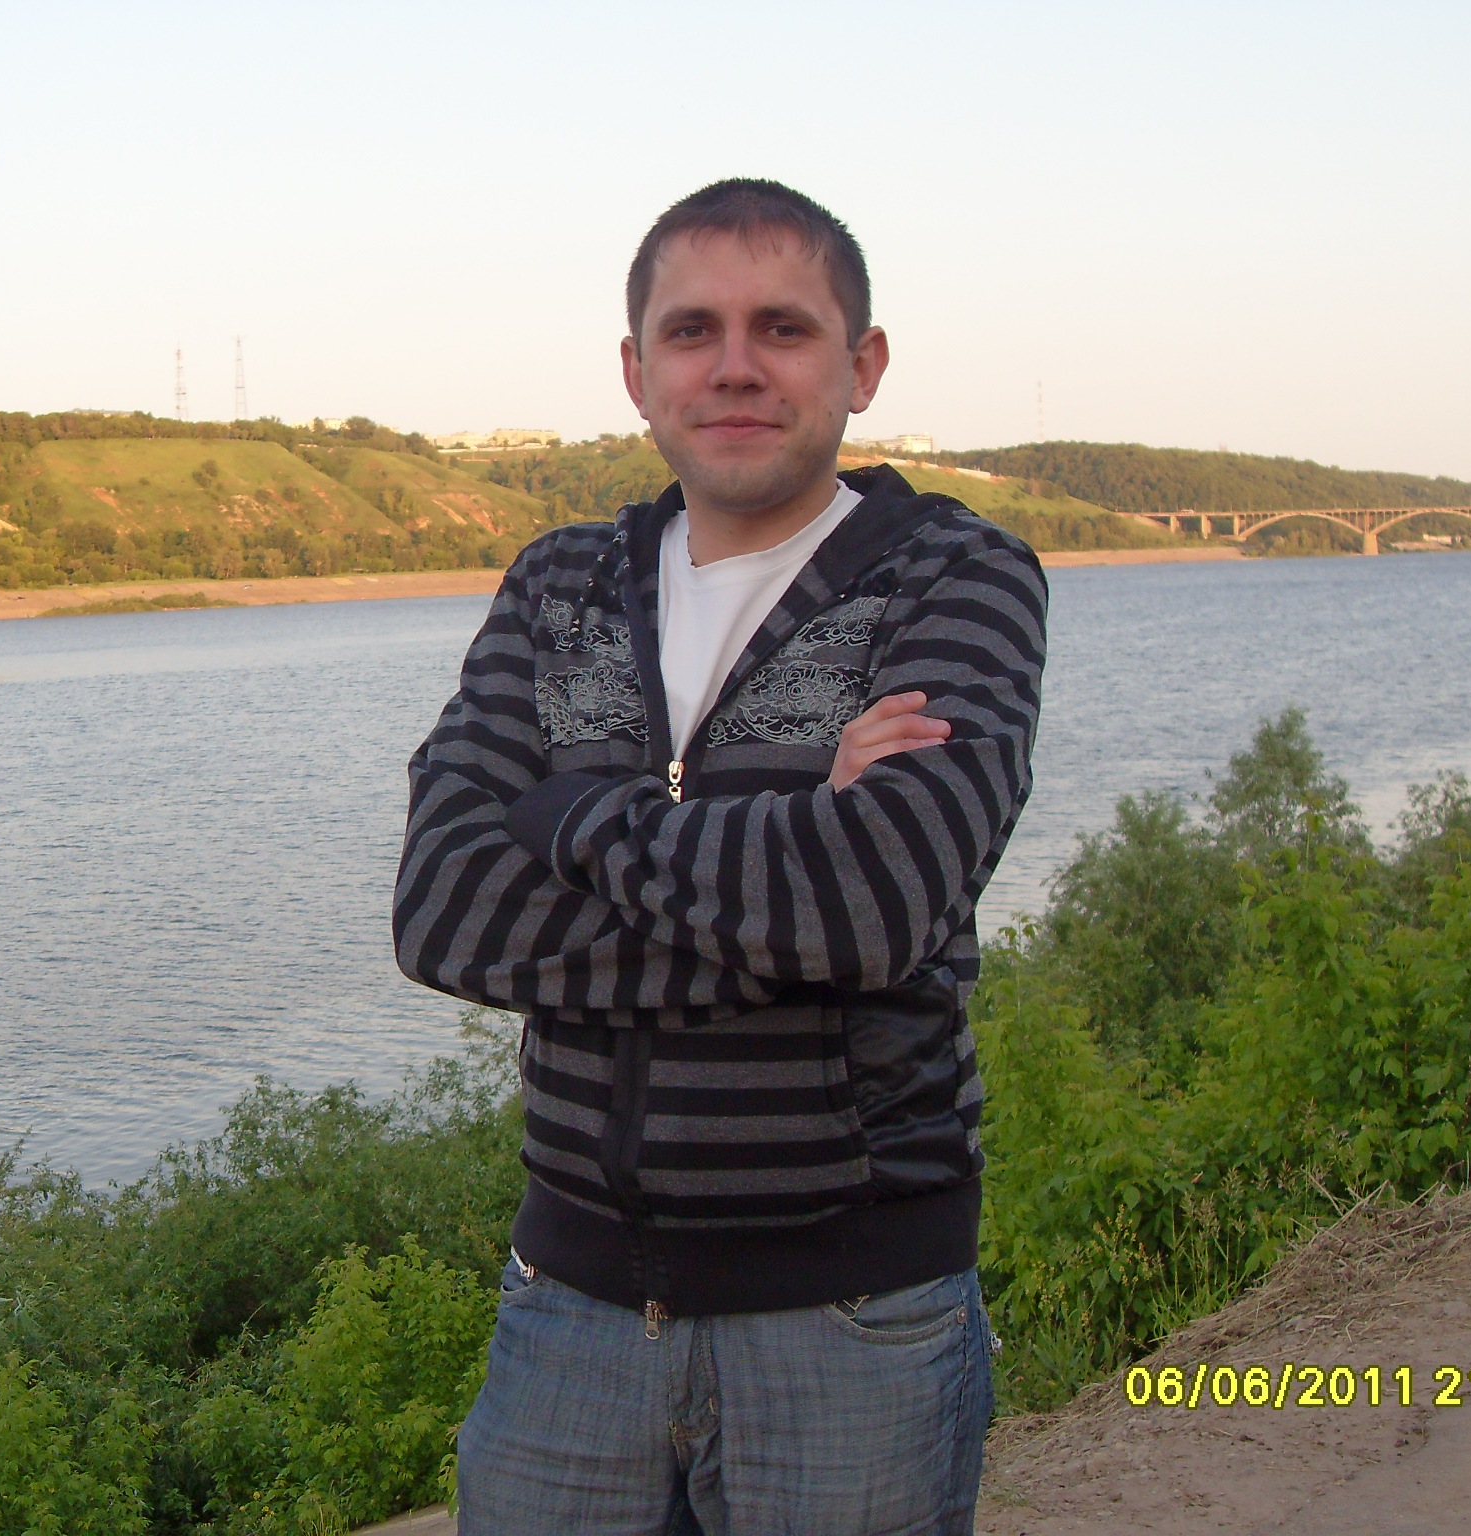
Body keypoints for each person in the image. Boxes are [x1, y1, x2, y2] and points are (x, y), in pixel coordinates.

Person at [394, 177, 1048, 1535]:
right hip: (568, 1313)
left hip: (852, 1317)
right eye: (692, 330)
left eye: (783, 329)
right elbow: (445, 908)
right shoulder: (559, 586)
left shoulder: (955, 576)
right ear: (638, 373)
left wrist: (571, 821)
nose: (735, 366)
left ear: (863, 365)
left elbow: (873, 902)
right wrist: (790, 884)